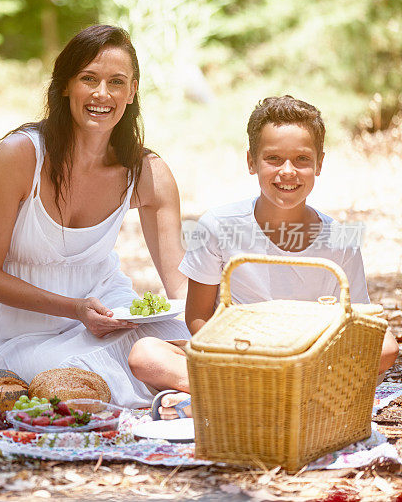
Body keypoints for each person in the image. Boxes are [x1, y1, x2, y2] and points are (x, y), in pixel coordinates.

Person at [130, 95, 399, 419]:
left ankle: (238, 399)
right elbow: (198, 318)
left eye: (302, 158)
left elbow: (361, 321)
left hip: (312, 357)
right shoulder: (218, 226)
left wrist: (306, 357)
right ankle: (285, 398)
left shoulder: (339, 238)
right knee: (145, 354)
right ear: (251, 161)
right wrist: (247, 355)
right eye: (273, 158)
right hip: (238, 354)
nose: (288, 171)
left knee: (386, 347)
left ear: (319, 163)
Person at [0, 25, 191, 408]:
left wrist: (206, 332)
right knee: (68, 382)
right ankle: (211, 394)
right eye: (89, 79)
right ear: (66, 84)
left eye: (116, 82)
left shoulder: (147, 172)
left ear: (132, 91)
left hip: (110, 315)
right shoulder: (20, 156)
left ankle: (236, 390)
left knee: (171, 340)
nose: (102, 94)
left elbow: (181, 287)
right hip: (20, 335)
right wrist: (74, 309)